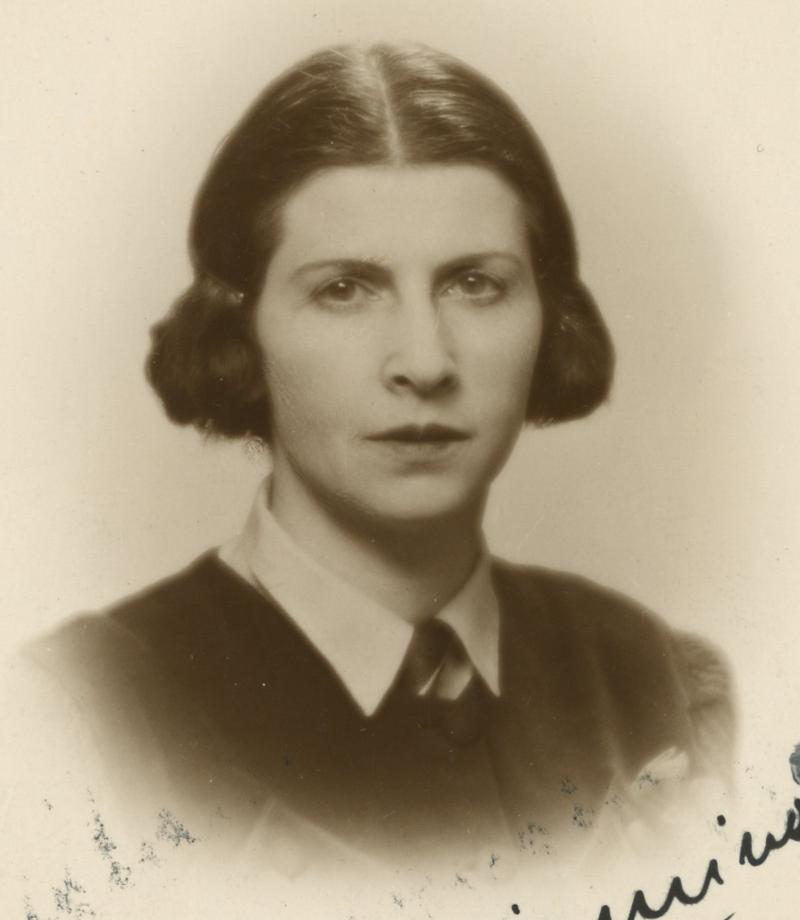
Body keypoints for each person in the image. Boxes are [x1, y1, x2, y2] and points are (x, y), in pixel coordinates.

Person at [19, 41, 734, 883]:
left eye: (475, 283)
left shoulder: (652, 681)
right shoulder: (81, 713)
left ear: (548, 319)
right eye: (344, 290)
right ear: (241, 333)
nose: (424, 362)